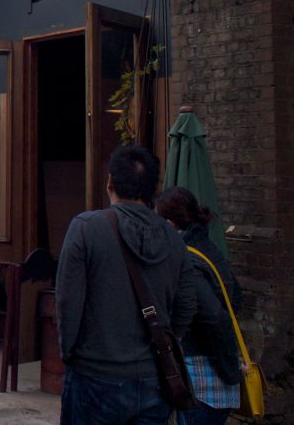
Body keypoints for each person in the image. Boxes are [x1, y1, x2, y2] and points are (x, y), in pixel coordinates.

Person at [57, 144, 196, 425]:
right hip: (154, 378)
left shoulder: (86, 228)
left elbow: (67, 302)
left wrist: (69, 353)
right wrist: (165, 340)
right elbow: (186, 305)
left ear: (109, 181)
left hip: (94, 373)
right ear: (152, 188)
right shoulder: (175, 241)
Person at [156, 186, 243, 425]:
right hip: (217, 386)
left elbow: (215, 316)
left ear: (170, 222)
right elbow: (236, 299)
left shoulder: (188, 260)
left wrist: (229, 367)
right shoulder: (210, 250)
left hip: (202, 382)